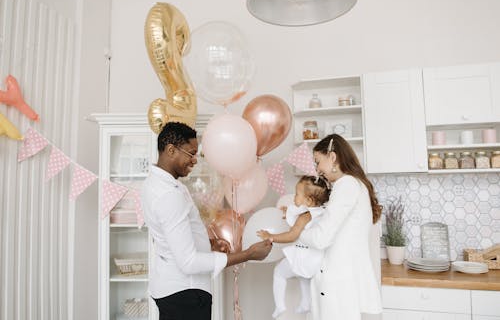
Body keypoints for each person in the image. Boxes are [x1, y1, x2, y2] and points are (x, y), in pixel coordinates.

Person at [141, 122, 273, 320]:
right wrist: (248, 254)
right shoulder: (169, 195)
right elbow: (189, 263)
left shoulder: (156, 184)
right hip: (185, 295)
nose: (195, 160)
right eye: (191, 153)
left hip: (172, 289)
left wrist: (209, 244)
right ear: (170, 150)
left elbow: (172, 238)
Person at [294, 134, 383, 320]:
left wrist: (297, 231)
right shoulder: (354, 185)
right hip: (342, 280)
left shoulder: (346, 185)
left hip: (338, 282)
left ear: (332, 157)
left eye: (318, 162)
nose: (317, 170)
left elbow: (320, 239)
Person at [257, 175, 331, 319]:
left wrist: (270, 237)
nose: (294, 197)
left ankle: (280, 306)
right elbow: (297, 217)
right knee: (303, 276)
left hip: (303, 257)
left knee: (279, 272)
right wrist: (287, 212)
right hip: (315, 260)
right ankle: (305, 302)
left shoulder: (304, 217)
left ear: (308, 201)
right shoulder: (321, 213)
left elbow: (292, 235)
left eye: (297, 194)